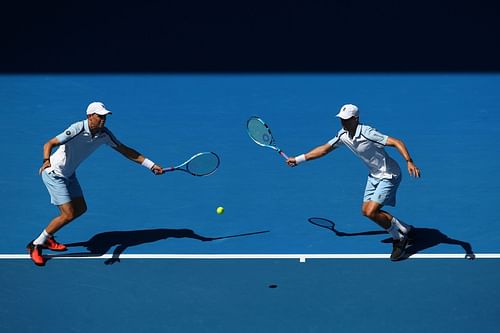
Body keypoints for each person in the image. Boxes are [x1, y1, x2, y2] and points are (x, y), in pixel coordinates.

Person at [27, 102, 165, 266]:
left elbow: (125, 150)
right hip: (54, 173)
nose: (103, 120)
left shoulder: (105, 134)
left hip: (69, 174)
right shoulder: (77, 128)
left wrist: (150, 165)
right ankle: (36, 245)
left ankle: (48, 237)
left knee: (81, 209)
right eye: (99, 116)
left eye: (104, 117)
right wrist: (46, 161)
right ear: (89, 116)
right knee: (68, 214)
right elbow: (48, 143)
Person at [286, 104, 421, 261]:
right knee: (366, 212)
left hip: (389, 174)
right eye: (341, 120)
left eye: (346, 120)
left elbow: (397, 142)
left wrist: (409, 161)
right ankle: (405, 228)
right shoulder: (343, 135)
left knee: (372, 211)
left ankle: (399, 238)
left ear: (356, 119)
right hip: (374, 175)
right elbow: (324, 149)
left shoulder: (368, 133)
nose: (343, 123)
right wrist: (298, 159)